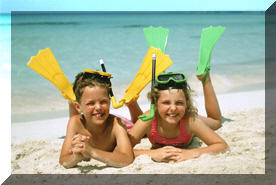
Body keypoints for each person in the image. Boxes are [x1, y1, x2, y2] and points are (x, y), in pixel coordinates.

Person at [128, 71, 228, 163]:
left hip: (184, 118)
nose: (173, 108)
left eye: (179, 103)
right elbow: (120, 150)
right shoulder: (148, 119)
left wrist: (191, 153)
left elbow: (221, 145)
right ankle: (132, 104)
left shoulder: (190, 121)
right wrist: (152, 153)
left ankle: (206, 80)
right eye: (166, 103)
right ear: (155, 104)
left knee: (216, 123)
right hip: (163, 119)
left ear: (187, 104)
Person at [59, 70, 141, 168]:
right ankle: (70, 100)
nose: (98, 107)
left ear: (110, 102)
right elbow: (63, 160)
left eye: (103, 102)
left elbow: (127, 159)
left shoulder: (117, 124)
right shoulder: (75, 123)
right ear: (78, 107)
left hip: (127, 126)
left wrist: (91, 152)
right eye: (91, 103)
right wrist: (76, 156)